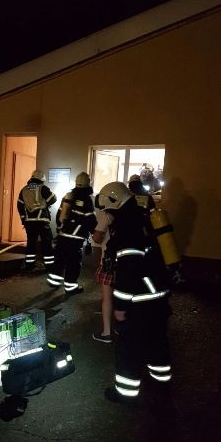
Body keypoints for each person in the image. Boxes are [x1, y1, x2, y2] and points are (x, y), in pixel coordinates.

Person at [95, 181, 172, 406]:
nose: (107, 215)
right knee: (157, 341)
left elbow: (128, 272)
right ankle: (161, 382)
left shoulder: (127, 228)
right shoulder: (143, 217)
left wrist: (120, 307)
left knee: (129, 348)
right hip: (159, 294)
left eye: (108, 210)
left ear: (115, 204)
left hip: (140, 300)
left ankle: (126, 394)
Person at [47, 172, 97, 295]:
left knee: (59, 259)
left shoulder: (68, 195)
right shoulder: (87, 199)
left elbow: (59, 214)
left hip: (62, 235)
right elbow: (90, 220)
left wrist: (60, 229)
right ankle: (70, 287)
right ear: (88, 183)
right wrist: (94, 232)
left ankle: (54, 281)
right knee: (73, 263)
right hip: (75, 238)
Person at [17, 169, 57, 272]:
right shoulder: (42, 188)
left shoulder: (24, 190)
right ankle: (49, 266)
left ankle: (29, 265)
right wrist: (45, 203)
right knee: (47, 243)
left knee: (31, 243)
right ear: (41, 179)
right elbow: (53, 199)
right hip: (42, 221)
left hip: (29, 222)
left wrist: (24, 220)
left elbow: (20, 206)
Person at [91, 207, 114, 343]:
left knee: (107, 299)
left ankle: (107, 333)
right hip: (131, 262)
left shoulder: (108, 215)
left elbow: (97, 238)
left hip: (110, 262)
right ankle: (122, 327)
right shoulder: (136, 213)